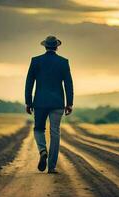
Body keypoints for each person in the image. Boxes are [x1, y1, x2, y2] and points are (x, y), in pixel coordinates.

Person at [25, 35, 74, 174]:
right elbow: (68, 84)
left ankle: (42, 150)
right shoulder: (63, 62)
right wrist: (69, 103)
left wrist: (28, 102)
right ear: (57, 47)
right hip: (57, 103)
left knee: (38, 129)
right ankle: (51, 167)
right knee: (55, 133)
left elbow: (29, 83)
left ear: (45, 46)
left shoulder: (36, 61)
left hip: (40, 102)